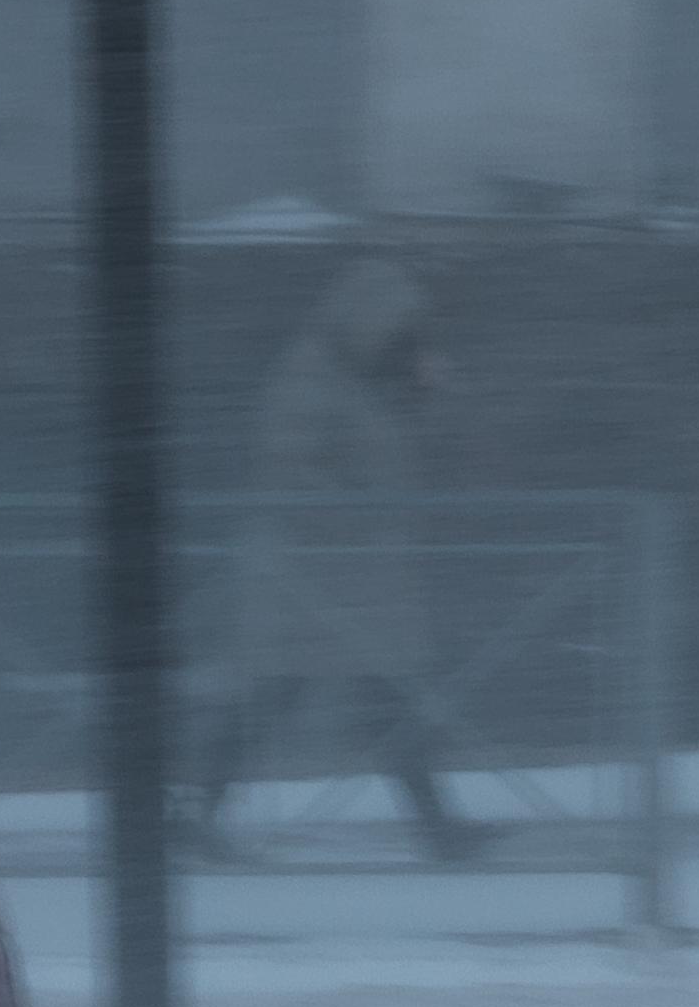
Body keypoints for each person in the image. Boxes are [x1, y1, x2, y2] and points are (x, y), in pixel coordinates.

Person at [189, 260, 488, 864]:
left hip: (353, 581)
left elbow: (396, 458)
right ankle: (193, 815)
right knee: (284, 697)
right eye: (399, 336)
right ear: (369, 324)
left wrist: (422, 396)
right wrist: (362, 520)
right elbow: (290, 476)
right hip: (307, 580)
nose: (406, 347)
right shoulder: (310, 379)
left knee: (365, 701)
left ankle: (439, 830)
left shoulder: (363, 382)